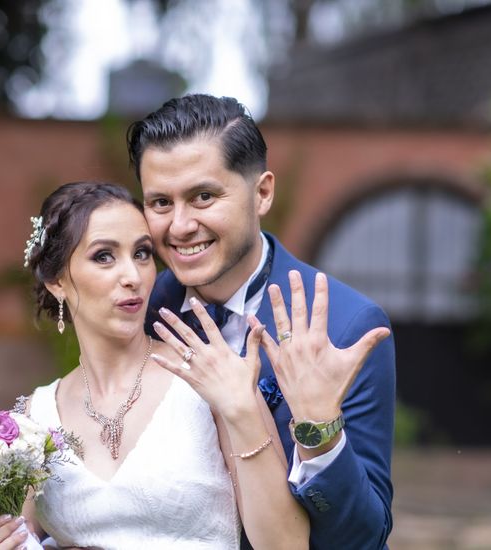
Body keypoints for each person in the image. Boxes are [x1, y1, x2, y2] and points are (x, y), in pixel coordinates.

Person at [0, 182, 309, 550]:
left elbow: (287, 543)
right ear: (57, 282)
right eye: (104, 256)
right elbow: (21, 538)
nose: (132, 275)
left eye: (142, 253)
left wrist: (242, 411)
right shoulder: (33, 419)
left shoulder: (209, 377)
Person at [127, 94, 396, 549]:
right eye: (160, 203)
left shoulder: (346, 327)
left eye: (203, 196)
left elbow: (363, 539)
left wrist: (319, 432)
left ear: (263, 192)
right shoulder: (144, 311)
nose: (179, 226)